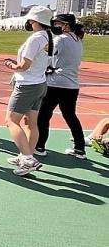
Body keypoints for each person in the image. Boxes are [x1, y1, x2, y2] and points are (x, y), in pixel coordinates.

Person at [4, 6, 53, 176]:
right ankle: (26, 155)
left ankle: (27, 159)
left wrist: (11, 65)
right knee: (31, 122)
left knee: (11, 121)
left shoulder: (35, 39)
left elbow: (24, 66)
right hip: (40, 83)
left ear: (34, 21)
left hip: (27, 85)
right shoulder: (47, 37)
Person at [36, 13, 86, 158]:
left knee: (43, 115)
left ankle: (39, 146)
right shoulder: (77, 39)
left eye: (58, 23)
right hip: (72, 85)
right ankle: (80, 148)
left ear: (66, 25)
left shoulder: (61, 39)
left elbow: (46, 56)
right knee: (70, 116)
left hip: (56, 83)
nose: (55, 26)